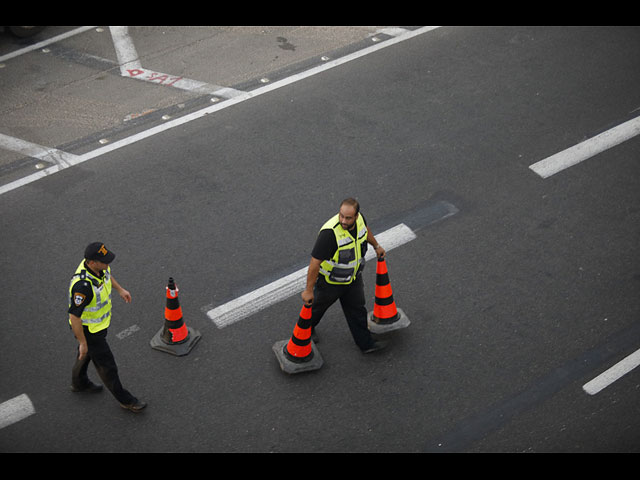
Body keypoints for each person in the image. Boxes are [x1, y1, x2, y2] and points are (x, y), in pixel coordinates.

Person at [301, 198, 388, 353]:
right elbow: (315, 263)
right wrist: (308, 290)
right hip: (330, 283)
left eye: (348, 218)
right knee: (317, 308)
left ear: (356, 216)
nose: (343, 220)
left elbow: (365, 231)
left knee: (357, 309)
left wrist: (376, 245)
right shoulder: (330, 233)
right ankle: (306, 331)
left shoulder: (360, 220)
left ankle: (366, 344)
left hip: (352, 278)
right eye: (341, 216)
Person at [68, 242, 146, 412]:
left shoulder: (99, 268)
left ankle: (78, 382)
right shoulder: (83, 287)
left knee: (86, 353)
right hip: (90, 331)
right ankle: (126, 400)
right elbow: (74, 317)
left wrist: (119, 289)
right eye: (103, 261)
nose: (107, 264)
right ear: (91, 262)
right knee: (107, 367)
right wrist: (82, 341)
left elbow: (107, 276)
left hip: (99, 327)